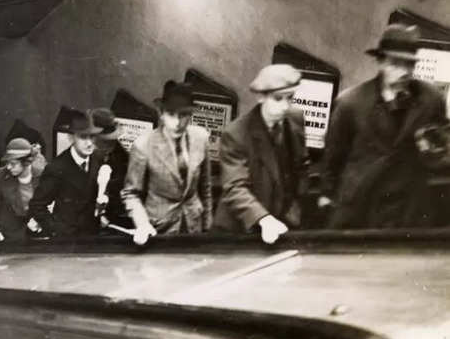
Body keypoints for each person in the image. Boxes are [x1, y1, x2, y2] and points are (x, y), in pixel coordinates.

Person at [323, 24, 447, 228]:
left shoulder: (431, 99)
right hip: (361, 205)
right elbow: (333, 159)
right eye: (395, 63)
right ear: (380, 62)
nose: (404, 71)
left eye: (409, 64)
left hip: (410, 208)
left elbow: (443, 147)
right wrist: (327, 195)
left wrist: (434, 149)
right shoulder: (351, 103)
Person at [214, 64, 310, 244]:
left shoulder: (296, 119)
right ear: (260, 97)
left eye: (290, 98)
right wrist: (264, 219)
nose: (285, 106)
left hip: (281, 223)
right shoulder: (236, 134)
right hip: (240, 229)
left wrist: (294, 209)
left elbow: (301, 166)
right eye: (278, 99)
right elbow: (235, 188)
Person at [121, 81, 212, 245]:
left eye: (183, 114)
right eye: (171, 114)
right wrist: (142, 224)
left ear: (190, 115)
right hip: (159, 229)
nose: (177, 122)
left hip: (193, 227)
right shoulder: (143, 145)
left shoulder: (201, 138)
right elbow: (131, 194)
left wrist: (207, 227)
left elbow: (205, 187)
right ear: (161, 113)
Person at [28, 109, 103, 237]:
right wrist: (56, 229)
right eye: (83, 137)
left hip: (92, 238)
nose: (89, 143)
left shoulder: (98, 160)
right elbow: (37, 205)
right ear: (71, 137)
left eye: (92, 137)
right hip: (67, 242)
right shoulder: (57, 167)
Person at [0, 138, 42, 245]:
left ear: (26, 162)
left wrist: (41, 221)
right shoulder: (0, 175)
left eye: (13, 163)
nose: (9, 167)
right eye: (7, 163)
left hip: (37, 236)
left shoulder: (42, 175)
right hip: (9, 237)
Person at [90, 108, 133, 230]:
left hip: (115, 220)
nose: (110, 146)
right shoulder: (82, 157)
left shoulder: (121, 156)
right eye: (105, 141)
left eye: (112, 142)